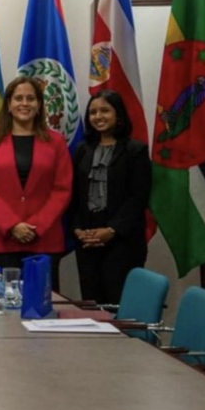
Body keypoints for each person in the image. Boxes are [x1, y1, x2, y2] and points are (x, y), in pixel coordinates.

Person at [0, 76, 72, 290]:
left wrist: (35, 227)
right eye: (18, 98)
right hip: (3, 241)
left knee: (41, 302)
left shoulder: (56, 142)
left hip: (44, 240)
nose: (24, 103)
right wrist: (12, 225)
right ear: (9, 105)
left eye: (30, 98)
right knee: (2, 303)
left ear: (39, 105)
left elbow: (62, 189)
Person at [71, 90, 151, 304]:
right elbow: (74, 195)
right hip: (87, 241)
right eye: (93, 112)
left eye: (105, 111)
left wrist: (111, 230)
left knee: (118, 304)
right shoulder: (81, 151)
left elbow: (138, 197)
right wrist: (77, 229)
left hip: (122, 241)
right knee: (92, 304)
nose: (98, 116)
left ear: (119, 115)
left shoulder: (135, 150)